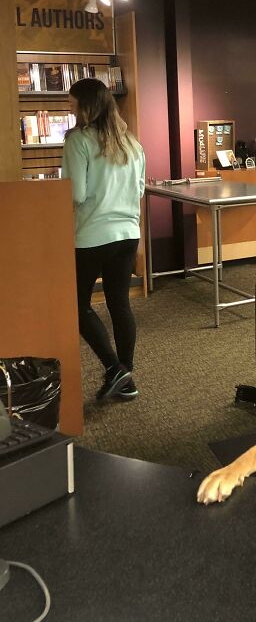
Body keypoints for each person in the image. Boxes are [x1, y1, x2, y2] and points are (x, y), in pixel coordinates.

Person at [62, 78, 145, 402]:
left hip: (92, 236)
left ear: (87, 106)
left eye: (72, 105)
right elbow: (138, 190)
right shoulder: (131, 143)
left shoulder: (78, 141)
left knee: (77, 306)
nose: (70, 111)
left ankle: (115, 368)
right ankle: (125, 379)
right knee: (119, 303)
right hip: (127, 234)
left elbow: (76, 193)